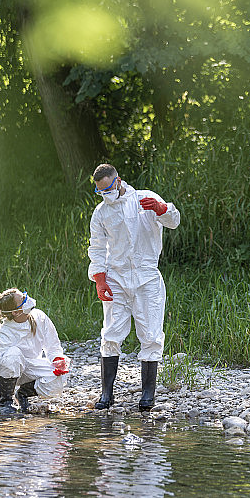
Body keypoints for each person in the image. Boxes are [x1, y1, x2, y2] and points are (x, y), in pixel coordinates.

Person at [88, 163, 180, 412]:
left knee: (150, 334)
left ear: (118, 181)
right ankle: (107, 394)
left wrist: (161, 209)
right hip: (116, 278)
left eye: (108, 189)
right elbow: (97, 247)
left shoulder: (144, 198)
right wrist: (100, 279)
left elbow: (174, 220)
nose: (105, 194)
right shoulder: (101, 213)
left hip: (146, 277)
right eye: (100, 191)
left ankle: (147, 395)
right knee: (111, 333)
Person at [0, 288, 70, 416]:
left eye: (24, 295)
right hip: (7, 371)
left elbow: (53, 344)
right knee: (13, 354)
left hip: (30, 366)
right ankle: (6, 402)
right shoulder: (4, 334)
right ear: (16, 312)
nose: (27, 298)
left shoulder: (39, 317)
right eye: (23, 299)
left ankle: (23, 394)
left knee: (58, 379)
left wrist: (57, 360)